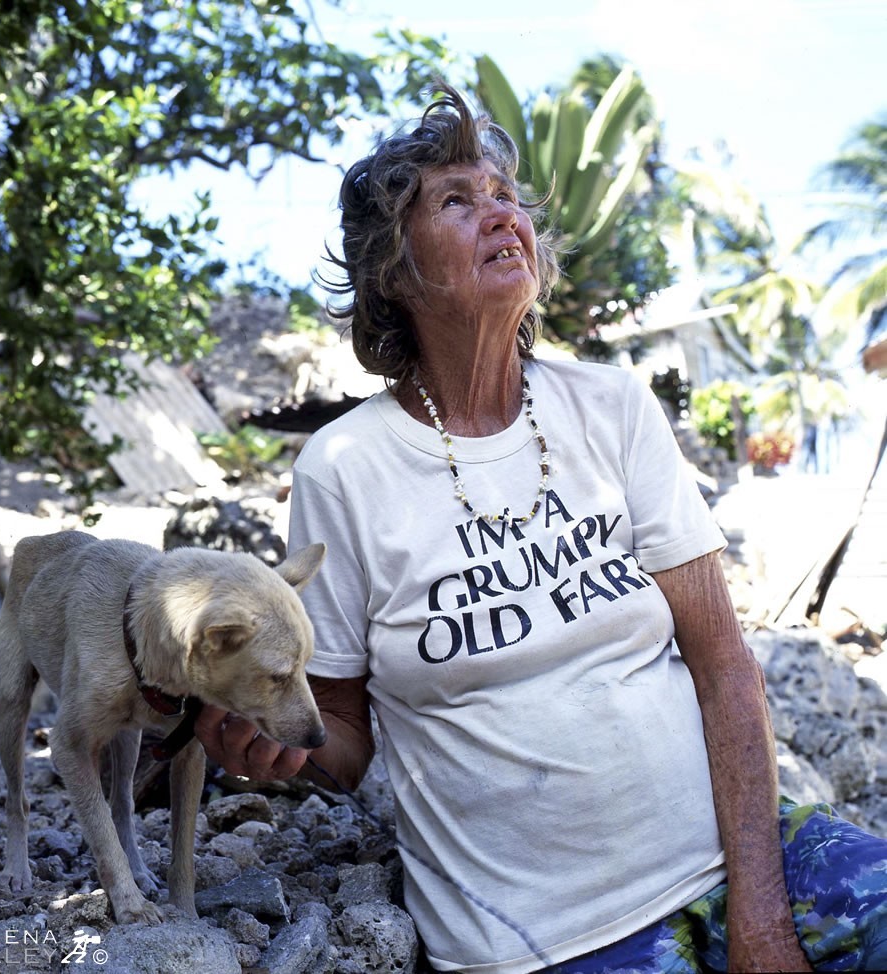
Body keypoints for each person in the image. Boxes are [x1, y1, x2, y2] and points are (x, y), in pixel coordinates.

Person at [196, 85, 887, 973]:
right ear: (394, 275)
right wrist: (272, 741)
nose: (501, 216)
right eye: (456, 201)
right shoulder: (343, 469)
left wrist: (759, 918)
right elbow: (342, 724)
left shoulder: (612, 406)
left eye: (505, 196)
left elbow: (724, 664)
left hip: (747, 860)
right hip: (543, 940)